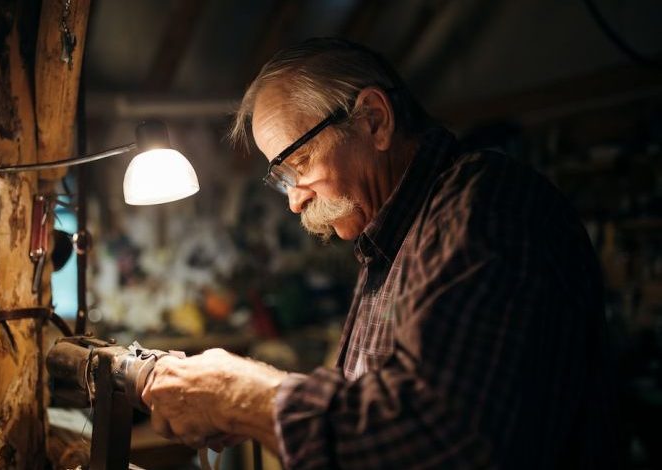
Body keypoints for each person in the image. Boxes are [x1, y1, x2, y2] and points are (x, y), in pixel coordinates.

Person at [141, 38, 617, 469]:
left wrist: (241, 395)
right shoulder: (388, 244)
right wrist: (257, 406)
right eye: (280, 177)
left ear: (374, 120)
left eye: (299, 163)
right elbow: (373, 409)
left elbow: (435, 439)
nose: (294, 199)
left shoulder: (486, 207)